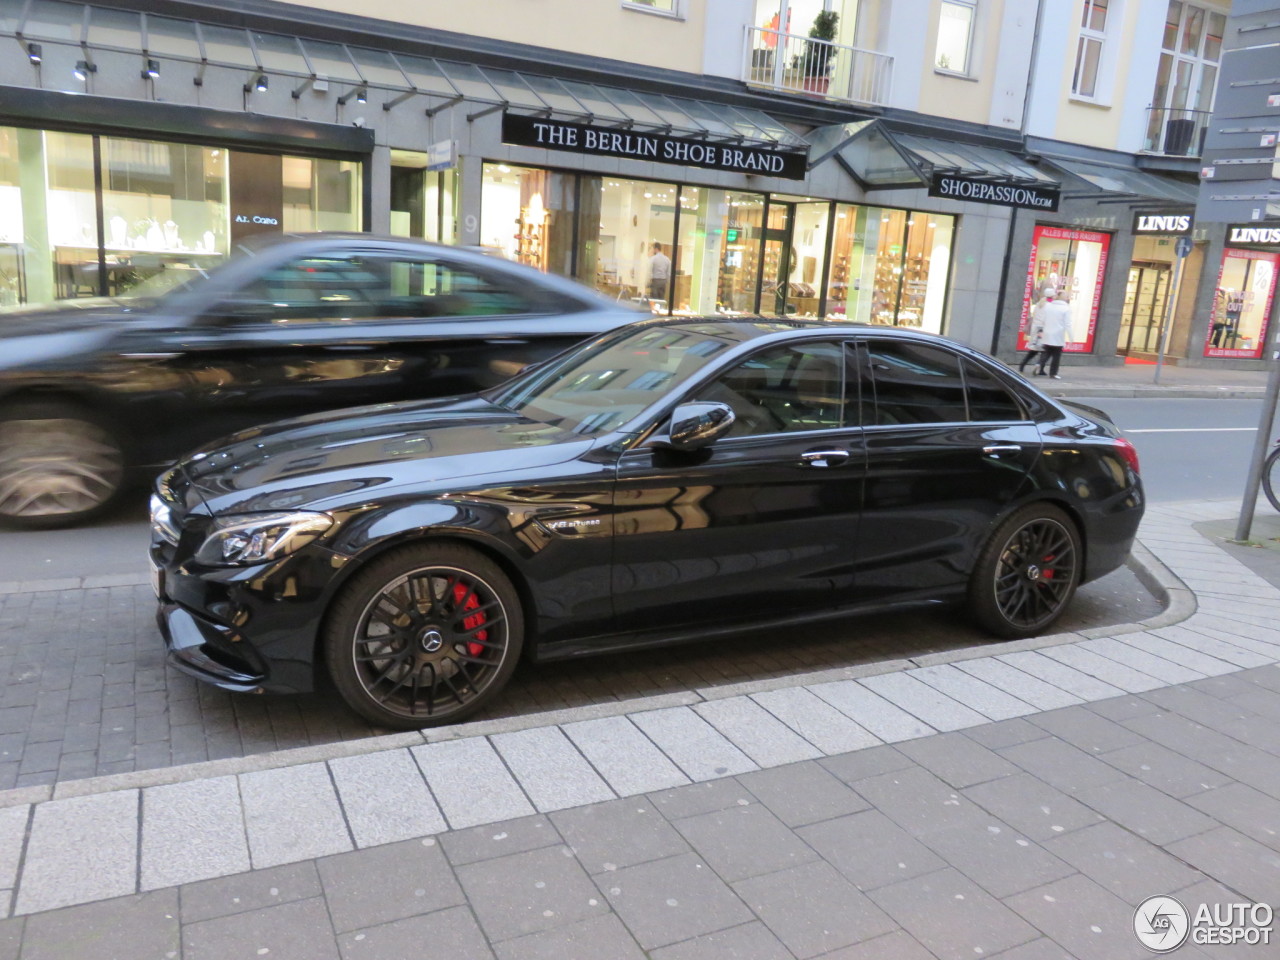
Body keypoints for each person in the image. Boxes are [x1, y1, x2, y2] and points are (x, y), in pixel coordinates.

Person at [1033, 288, 1072, 378]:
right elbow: (1068, 324)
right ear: (1064, 298)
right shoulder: (1066, 308)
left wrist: (1042, 330)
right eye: (1066, 296)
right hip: (1058, 335)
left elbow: (1043, 319)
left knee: (1047, 351)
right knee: (1056, 355)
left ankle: (1039, 364)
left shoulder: (1048, 306)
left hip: (1047, 333)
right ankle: (1053, 373)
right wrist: (1070, 337)